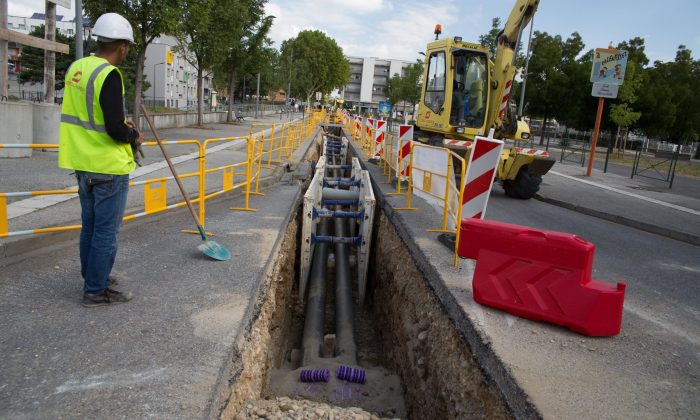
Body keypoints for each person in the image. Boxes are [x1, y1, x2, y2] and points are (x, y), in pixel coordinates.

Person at [58, 12, 143, 307]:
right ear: (121, 46)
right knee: (106, 232)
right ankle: (95, 289)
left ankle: (93, 277)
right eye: (127, 47)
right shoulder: (109, 74)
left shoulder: (76, 69)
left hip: (82, 164)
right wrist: (132, 136)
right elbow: (114, 128)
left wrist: (120, 125)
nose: (127, 51)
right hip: (107, 168)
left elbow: (89, 116)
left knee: (90, 228)